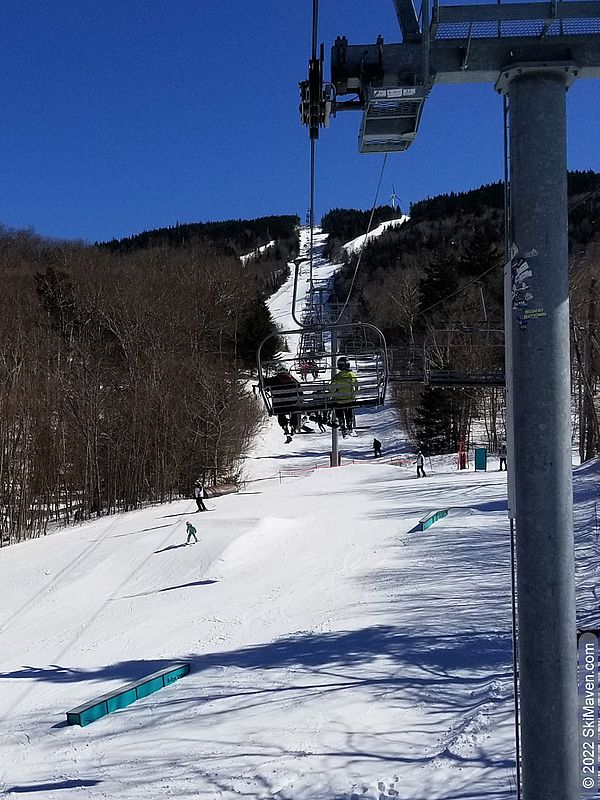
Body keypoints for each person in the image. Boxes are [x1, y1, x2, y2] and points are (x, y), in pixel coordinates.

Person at [264, 365, 302, 443]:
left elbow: (263, 382)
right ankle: (293, 425)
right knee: (294, 411)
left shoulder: (273, 380)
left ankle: (284, 427)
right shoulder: (293, 380)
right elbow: (300, 391)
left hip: (279, 406)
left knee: (280, 412)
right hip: (293, 405)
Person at [330, 356, 358, 437]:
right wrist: (353, 394)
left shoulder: (336, 377)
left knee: (338, 407)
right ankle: (349, 425)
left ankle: (342, 425)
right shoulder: (352, 375)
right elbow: (357, 387)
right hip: (350, 400)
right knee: (348, 408)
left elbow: (332, 390)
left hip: (339, 401)